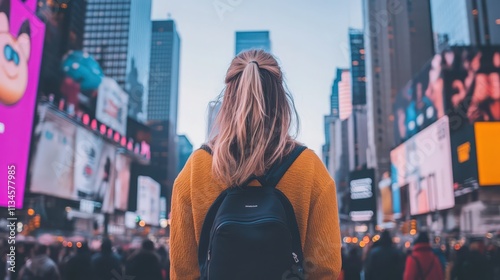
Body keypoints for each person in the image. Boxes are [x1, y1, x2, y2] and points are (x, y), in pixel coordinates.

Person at [169, 49, 342, 279]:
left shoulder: (195, 168)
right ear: (281, 100)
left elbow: (183, 271)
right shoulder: (309, 168)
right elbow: (326, 269)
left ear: (228, 99)